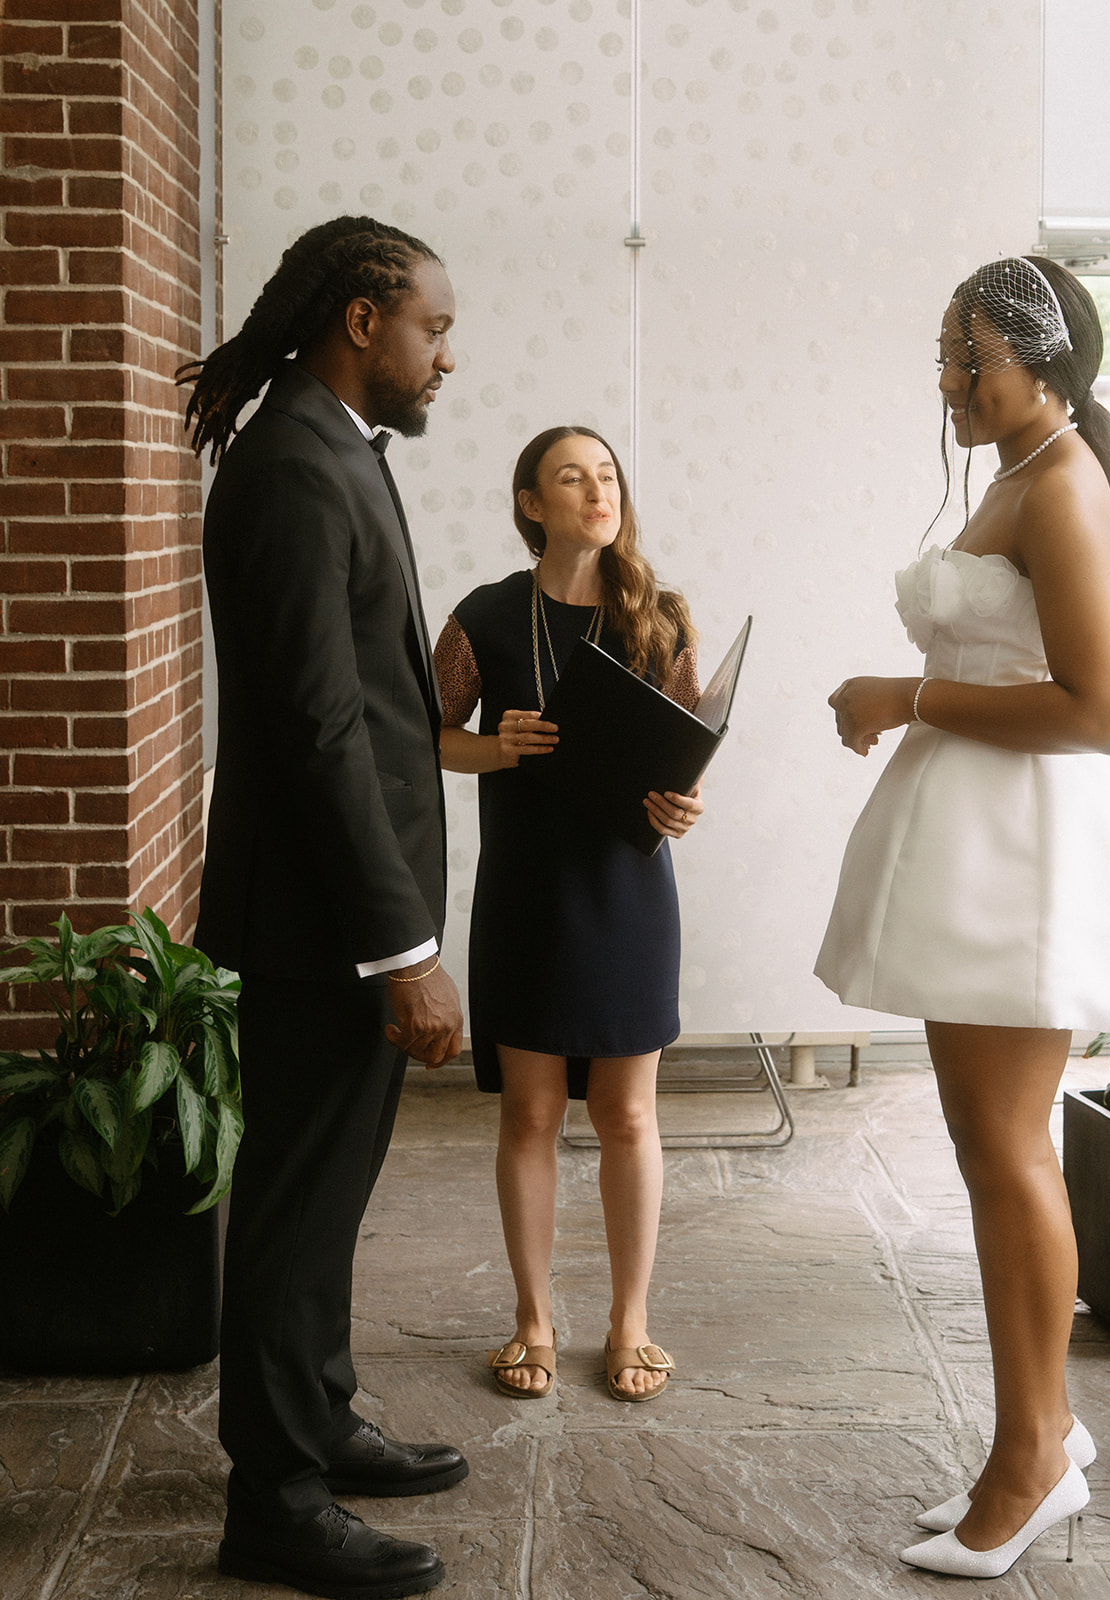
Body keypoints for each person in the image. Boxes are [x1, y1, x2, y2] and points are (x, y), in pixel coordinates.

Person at [815, 257, 1110, 1579]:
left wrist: (905, 698)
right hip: (978, 841)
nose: (951, 380)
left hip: (1022, 854)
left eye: (972, 357)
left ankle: (1029, 1463)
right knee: (985, 1143)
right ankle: (1045, 1433)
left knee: (1008, 1148)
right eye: (948, 353)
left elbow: (1102, 710)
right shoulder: (1026, 475)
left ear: (1044, 362)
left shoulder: (1062, 483)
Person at [181, 215, 468, 1600]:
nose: (444, 356)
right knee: (299, 1204)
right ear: (363, 320)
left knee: (330, 1190)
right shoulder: (294, 466)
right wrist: (401, 945)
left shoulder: (331, 447)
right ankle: (276, 1500)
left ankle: (321, 1417)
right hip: (321, 923)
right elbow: (316, 727)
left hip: (339, 913)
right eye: (434, 327)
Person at [433, 426, 704, 1403]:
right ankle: (532, 1318)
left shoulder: (658, 617)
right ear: (529, 501)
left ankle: (629, 1319)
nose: (596, 490)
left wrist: (680, 803)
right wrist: (493, 748)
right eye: (570, 476)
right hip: (527, 894)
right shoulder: (485, 617)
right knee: (532, 1111)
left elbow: (683, 756)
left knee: (629, 1114)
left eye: (606, 475)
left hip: (628, 892)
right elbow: (425, 735)